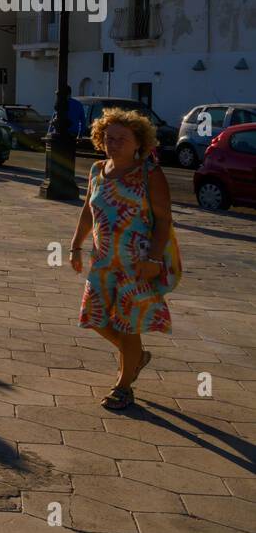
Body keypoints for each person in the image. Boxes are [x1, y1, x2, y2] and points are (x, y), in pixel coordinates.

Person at [69, 108, 179, 410]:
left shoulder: (149, 174)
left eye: (121, 138)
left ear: (138, 142)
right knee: (95, 318)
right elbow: (89, 211)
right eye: (108, 137)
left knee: (129, 326)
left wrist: (154, 260)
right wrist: (75, 246)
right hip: (103, 262)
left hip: (137, 264)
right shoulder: (97, 170)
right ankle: (136, 358)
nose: (113, 143)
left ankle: (123, 385)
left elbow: (163, 220)